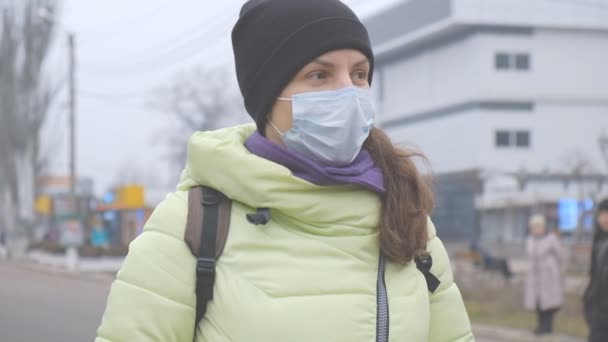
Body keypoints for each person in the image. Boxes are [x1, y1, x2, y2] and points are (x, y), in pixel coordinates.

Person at [95, 1, 473, 341]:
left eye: (359, 74)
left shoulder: (406, 215)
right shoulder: (190, 226)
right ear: (268, 97)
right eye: (319, 75)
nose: (348, 91)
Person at [524, 214, 565, 335]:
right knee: (538, 303)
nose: (536, 229)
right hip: (535, 276)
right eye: (534, 227)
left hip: (549, 276)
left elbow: (561, 255)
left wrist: (557, 269)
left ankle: (548, 327)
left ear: (543, 227)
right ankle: (540, 326)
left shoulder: (551, 239)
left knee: (549, 303)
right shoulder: (530, 240)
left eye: (538, 226)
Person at [584, 198, 608, 342]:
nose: (605, 218)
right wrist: (588, 300)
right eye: (602, 214)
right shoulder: (599, 240)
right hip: (598, 310)